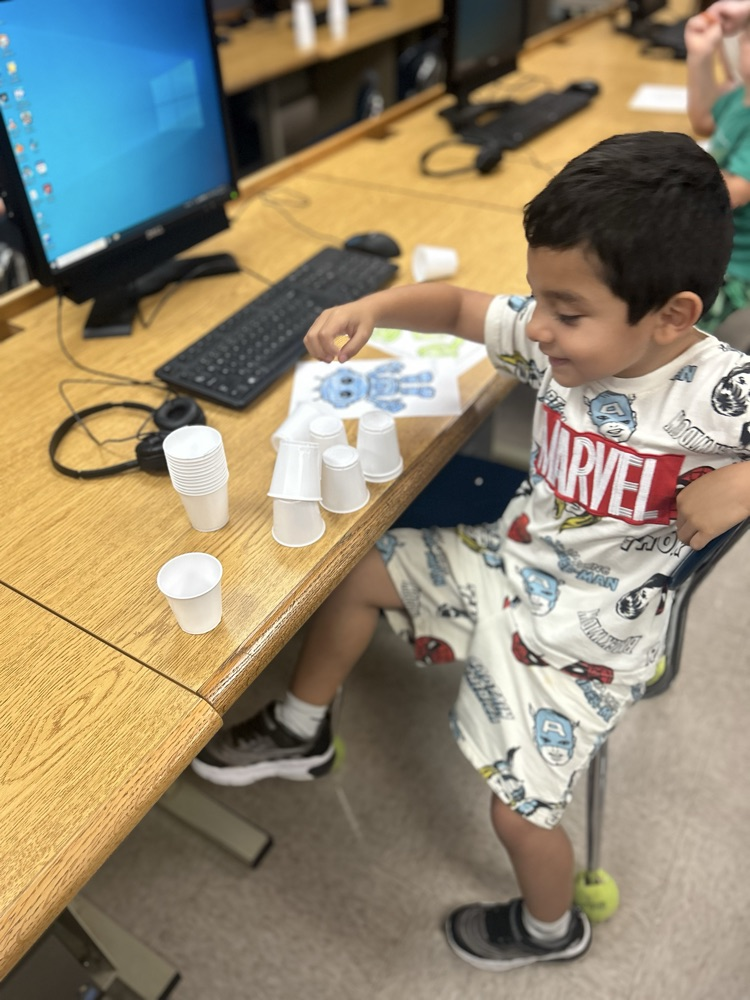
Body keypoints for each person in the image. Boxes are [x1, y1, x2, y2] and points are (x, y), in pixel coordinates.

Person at [193, 131, 750, 971]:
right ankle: (301, 730)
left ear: (672, 315)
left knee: (518, 819)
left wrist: (741, 486)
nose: (541, 330)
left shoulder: (718, 390)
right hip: (510, 558)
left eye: (567, 313)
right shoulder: (551, 334)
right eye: (537, 301)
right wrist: (373, 308)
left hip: (589, 643)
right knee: (348, 575)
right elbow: (459, 308)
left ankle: (550, 930)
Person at [686, 2, 750, 332]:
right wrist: (700, 55)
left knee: (674, 320)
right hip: (715, 243)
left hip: (740, 269)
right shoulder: (741, 96)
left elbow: (732, 190)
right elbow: (703, 120)